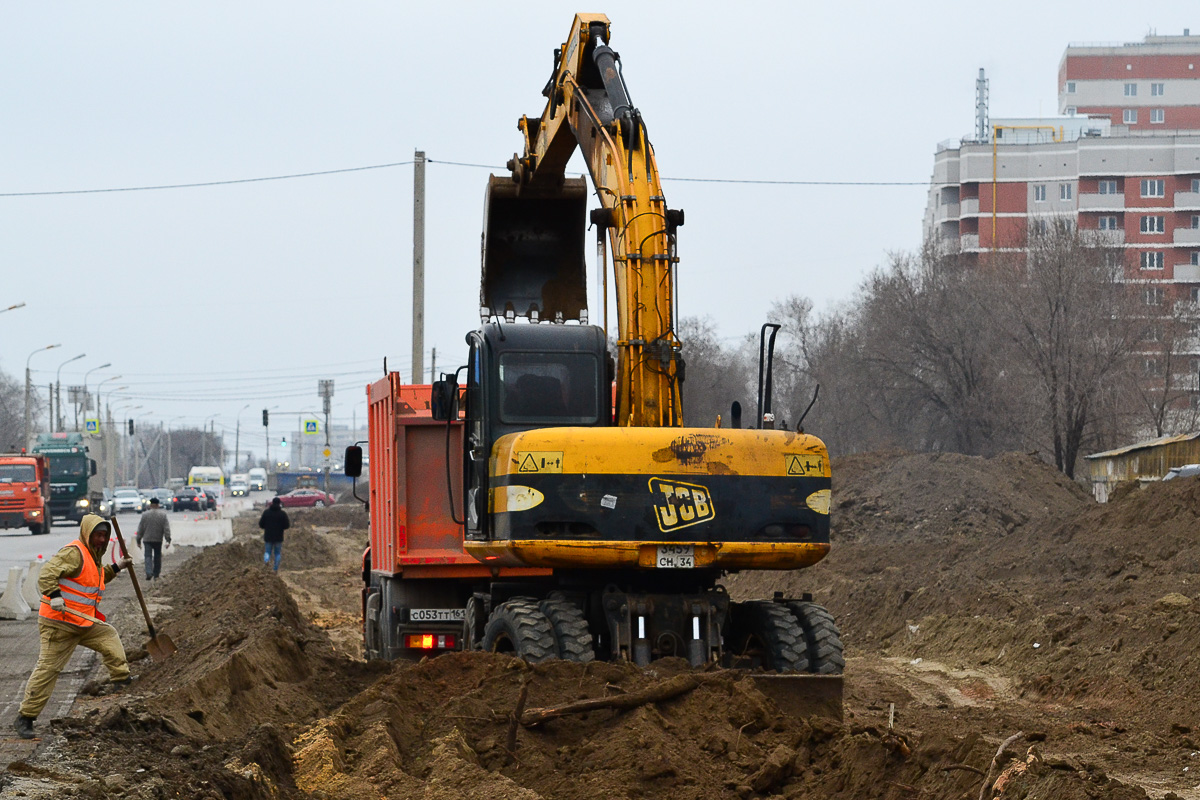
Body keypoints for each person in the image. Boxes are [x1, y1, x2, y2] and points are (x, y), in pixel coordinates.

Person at [13, 514, 135, 740]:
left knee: (109, 635)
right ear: (88, 534)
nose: (101, 540)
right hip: (58, 622)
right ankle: (26, 717)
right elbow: (47, 574)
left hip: (82, 621)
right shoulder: (74, 552)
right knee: (49, 670)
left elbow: (95, 579)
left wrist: (117, 567)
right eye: (98, 535)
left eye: (104, 536)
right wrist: (54, 595)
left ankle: (122, 681)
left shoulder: (93, 556)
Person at [135, 496, 171, 581]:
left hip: (147, 539)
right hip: (158, 539)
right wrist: (168, 539)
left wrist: (138, 540)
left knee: (148, 556)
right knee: (157, 557)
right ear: (158, 505)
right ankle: (156, 574)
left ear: (150, 505)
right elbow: (166, 529)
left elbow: (140, 529)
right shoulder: (163, 515)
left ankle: (148, 572)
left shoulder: (145, 515)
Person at [258, 496, 291, 572]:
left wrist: (266, 527)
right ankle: (275, 569)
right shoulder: (282, 514)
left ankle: (266, 564)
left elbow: (261, 524)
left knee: (267, 552)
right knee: (277, 553)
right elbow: (287, 525)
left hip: (268, 536)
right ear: (279, 504)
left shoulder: (266, 512)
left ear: (272, 503)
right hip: (278, 537)